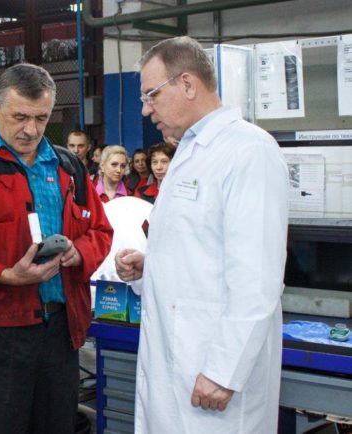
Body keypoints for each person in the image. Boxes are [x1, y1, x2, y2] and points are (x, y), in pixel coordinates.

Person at [115, 36, 288, 433]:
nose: (145, 109)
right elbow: (200, 246)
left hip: (212, 374)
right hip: (175, 366)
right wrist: (150, 265)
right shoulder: (189, 152)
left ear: (188, 84)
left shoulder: (249, 151)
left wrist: (224, 371)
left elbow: (258, 277)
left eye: (151, 95)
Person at [0, 63, 113, 434]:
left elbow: (100, 230)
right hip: (0, 334)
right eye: (20, 117)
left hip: (61, 331)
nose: (31, 129)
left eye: (41, 118)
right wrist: (4, 275)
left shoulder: (69, 167)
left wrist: (79, 252)